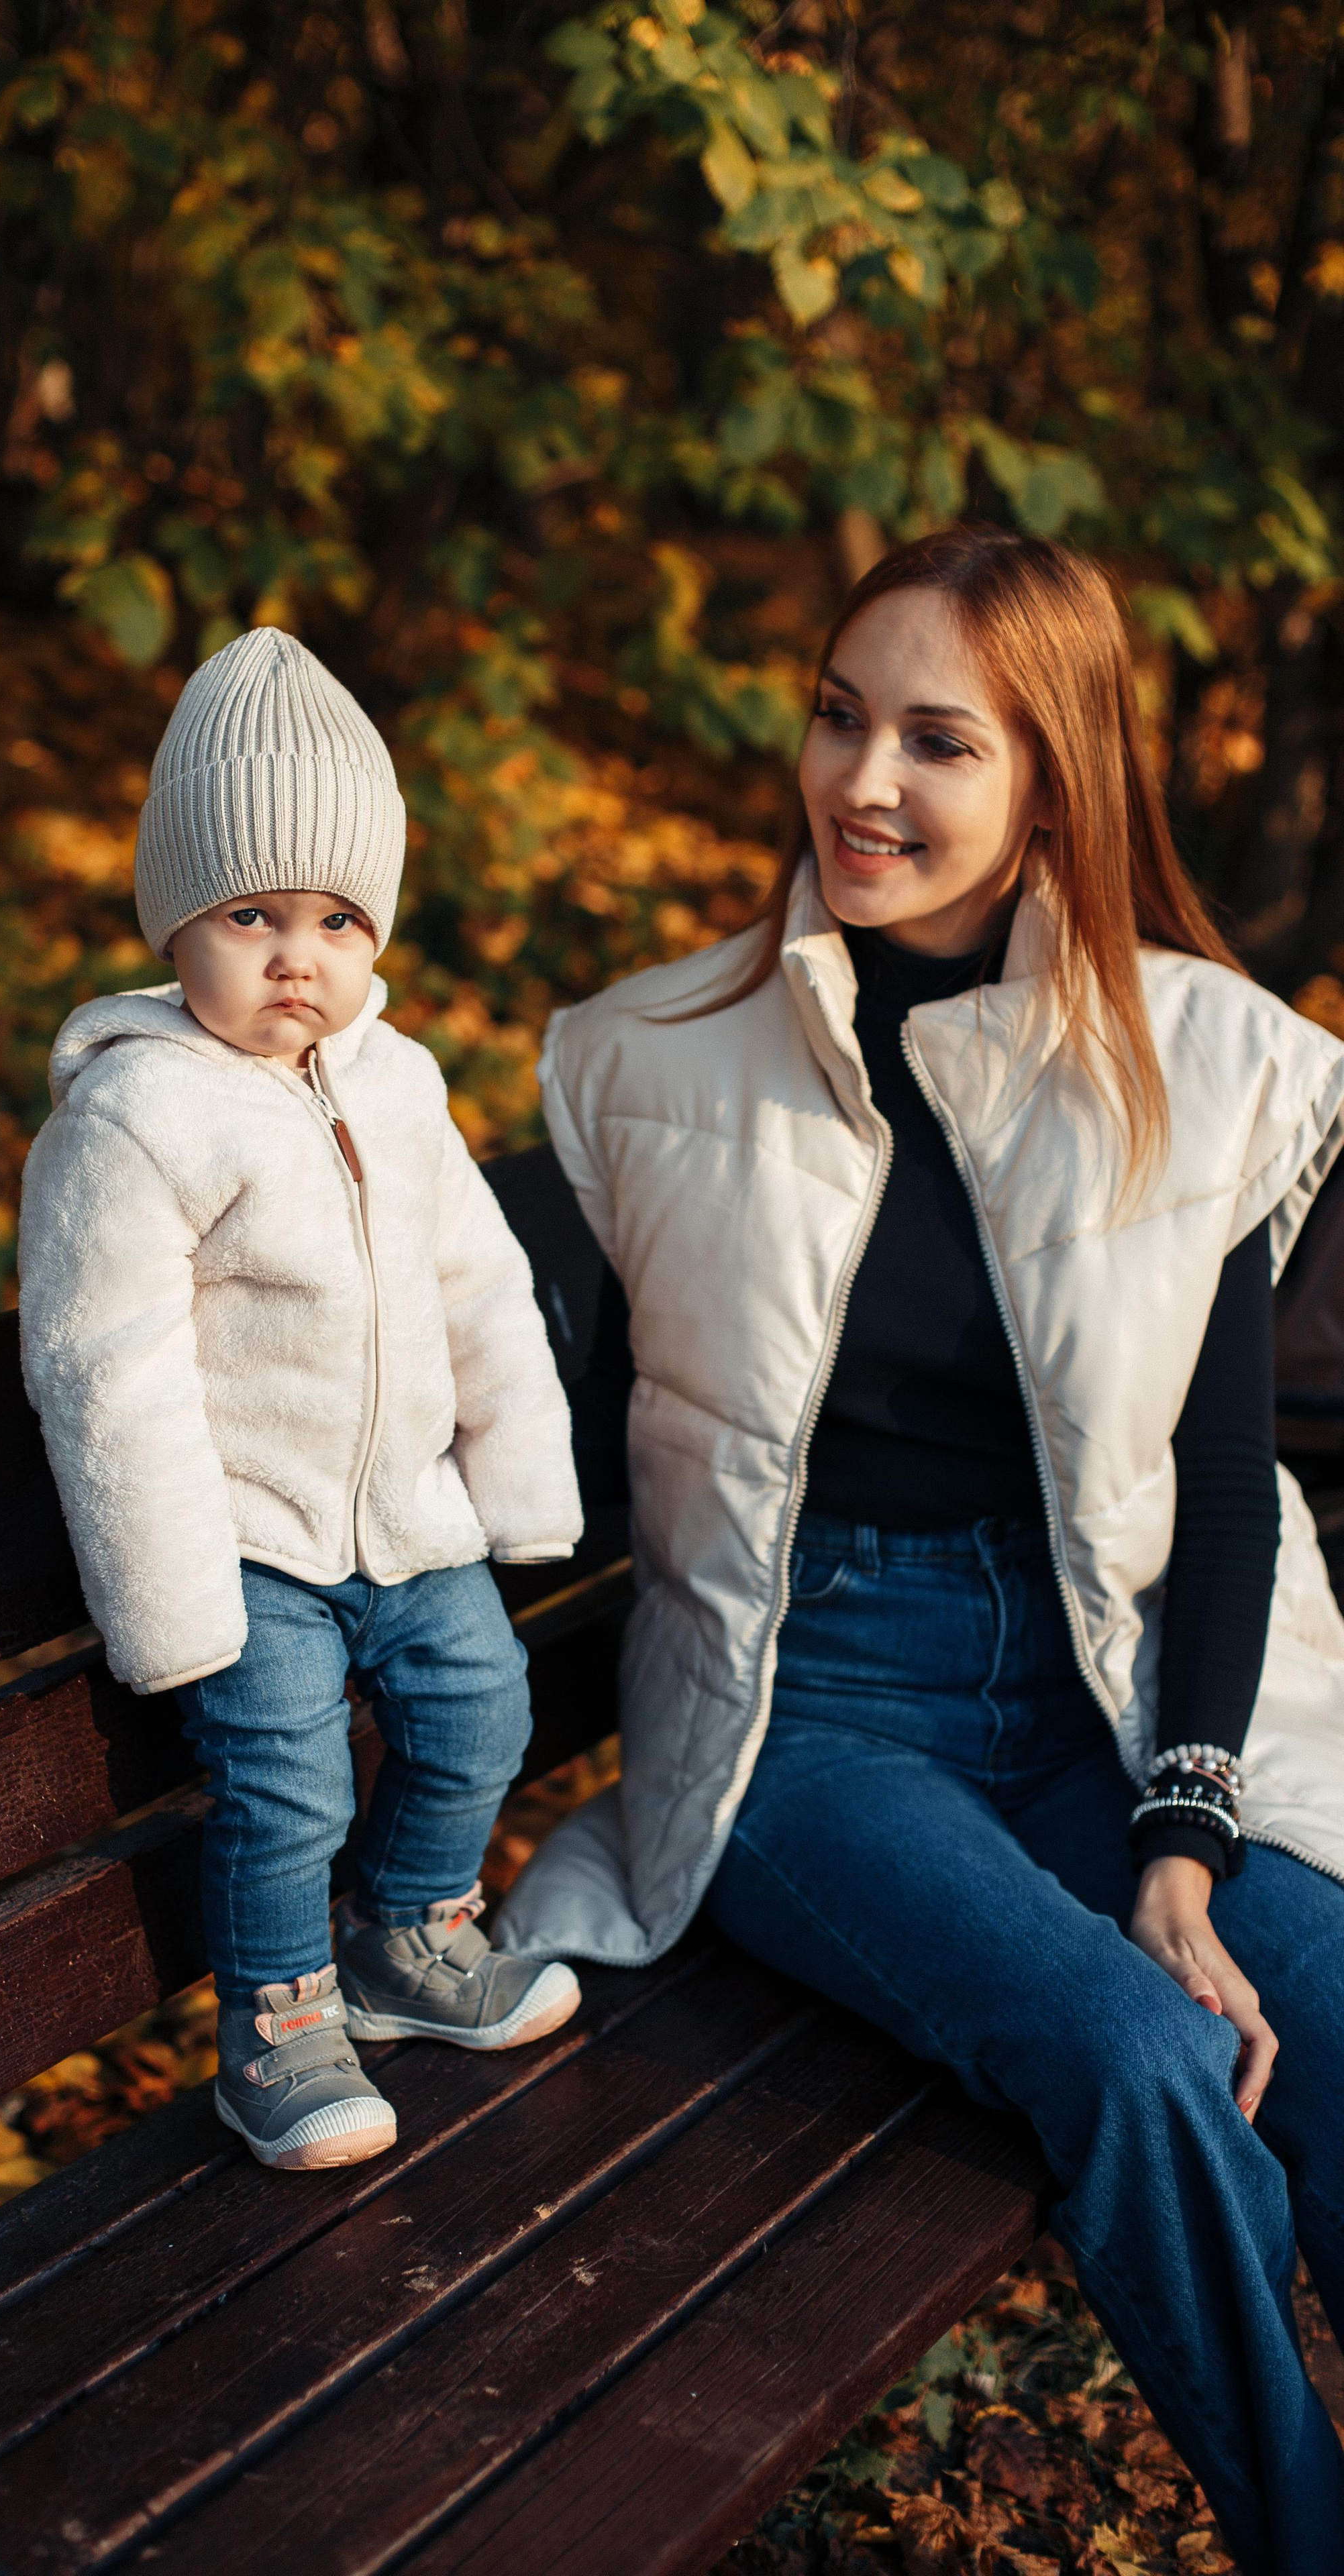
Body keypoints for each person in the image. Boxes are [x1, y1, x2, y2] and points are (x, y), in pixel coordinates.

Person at [497, 528, 1344, 2573]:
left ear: (1055, 779)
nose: (862, 781)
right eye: (838, 716)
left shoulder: (1200, 1062)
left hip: (1098, 1708)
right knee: (1144, 2062)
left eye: (939, 742)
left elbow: (1225, 1492)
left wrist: (1180, 1837)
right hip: (815, 1717)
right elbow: (528, 1442)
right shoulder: (646, 1061)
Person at [18, 626, 583, 2175]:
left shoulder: (395, 1081)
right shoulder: (135, 1117)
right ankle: (276, 2026)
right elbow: (104, 1371)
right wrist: (172, 1602)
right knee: (286, 1777)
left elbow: (477, 1279)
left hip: (407, 1519)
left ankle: (414, 1938)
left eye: (338, 919)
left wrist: (516, 1488)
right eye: (249, 914)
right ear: (170, 922)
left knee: (481, 1709)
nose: (298, 957)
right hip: (252, 1542)